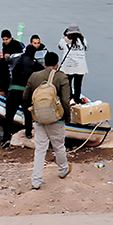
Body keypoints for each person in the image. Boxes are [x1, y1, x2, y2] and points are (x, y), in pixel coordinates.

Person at [24, 51, 72, 190]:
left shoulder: (34, 76)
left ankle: (36, 180)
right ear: (57, 64)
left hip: (39, 119)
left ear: (44, 63)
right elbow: (65, 100)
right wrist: (67, 118)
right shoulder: (61, 77)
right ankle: (63, 169)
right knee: (58, 146)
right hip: (56, 120)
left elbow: (25, 98)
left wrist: (33, 113)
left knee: (40, 149)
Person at [5, 42, 42, 138]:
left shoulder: (15, 59)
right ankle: (28, 134)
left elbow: (4, 62)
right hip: (25, 92)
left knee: (9, 116)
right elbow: (43, 72)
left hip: (12, 90)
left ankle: (6, 138)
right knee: (28, 114)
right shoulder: (35, 63)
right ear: (34, 54)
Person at [58, 25, 88, 102]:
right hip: (80, 67)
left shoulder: (64, 40)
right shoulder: (82, 40)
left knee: (68, 85)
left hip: (69, 67)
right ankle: (77, 100)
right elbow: (86, 48)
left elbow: (60, 47)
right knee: (78, 85)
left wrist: (64, 36)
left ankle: (70, 99)